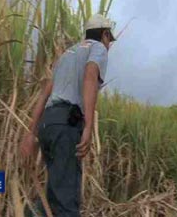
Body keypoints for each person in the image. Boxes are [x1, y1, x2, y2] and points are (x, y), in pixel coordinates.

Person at [20, 14, 116, 217]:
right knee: (66, 203)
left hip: (48, 124)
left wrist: (31, 132)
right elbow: (90, 75)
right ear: (105, 34)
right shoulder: (97, 48)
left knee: (54, 193)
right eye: (110, 40)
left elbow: (45, 92)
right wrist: (89, 126)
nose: (109, 46)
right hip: (66, 127)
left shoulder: (67, 54)